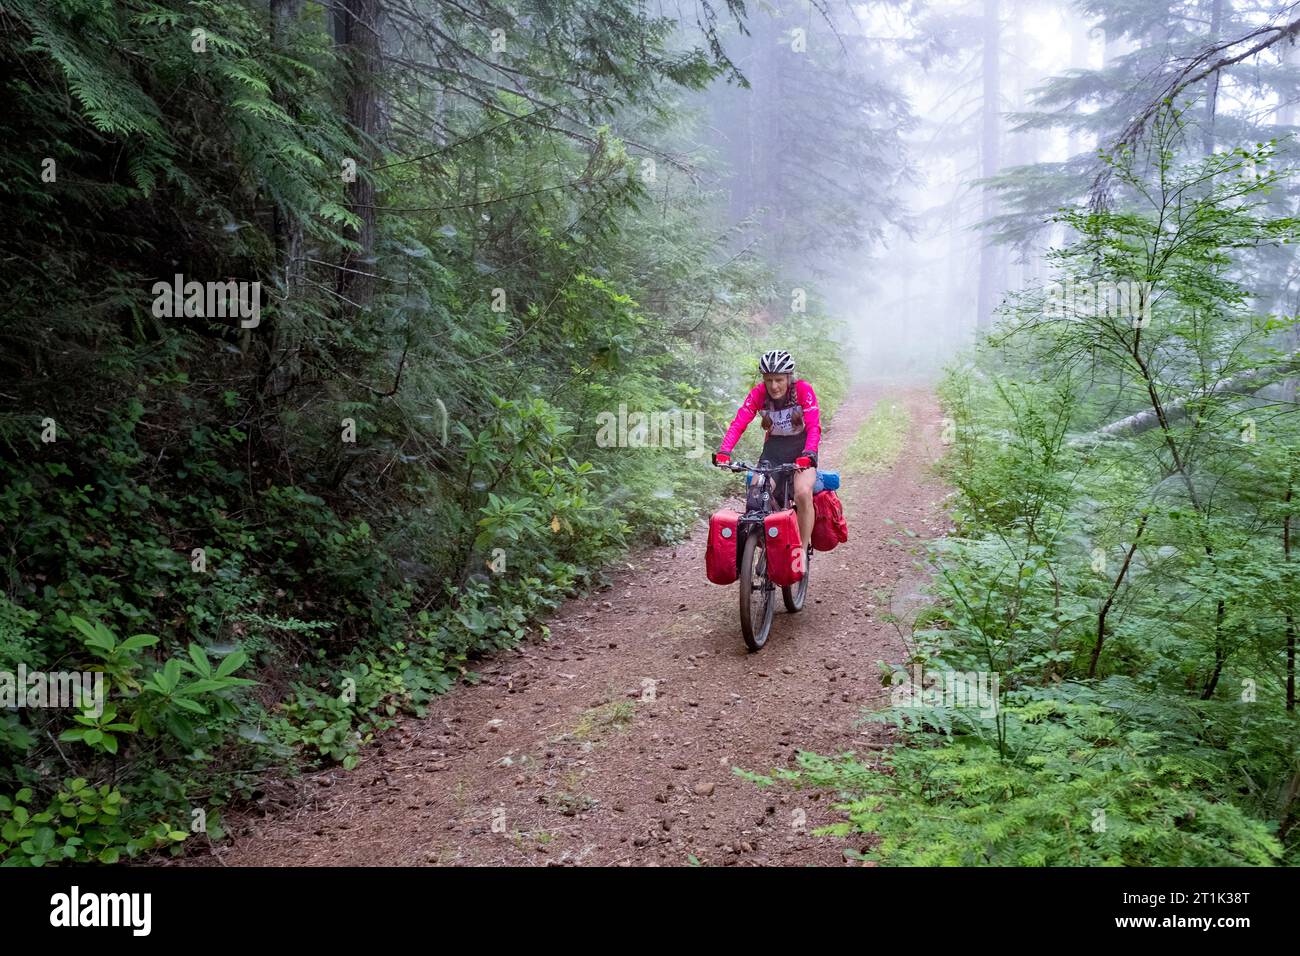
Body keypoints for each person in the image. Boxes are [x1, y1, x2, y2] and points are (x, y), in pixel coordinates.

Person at [712, 349, 820, 547]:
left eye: (779, 379)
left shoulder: (804, 390)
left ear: (789, 377)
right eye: (768, 380)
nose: (774, 386)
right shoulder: (758, 394)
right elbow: (738, 424)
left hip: (802, 450)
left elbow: (814, 427)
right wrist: (724, 452)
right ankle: (761, 543)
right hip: (773, 451)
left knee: (803, 493)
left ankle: (801, 551)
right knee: (756, 492)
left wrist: (809, 453)